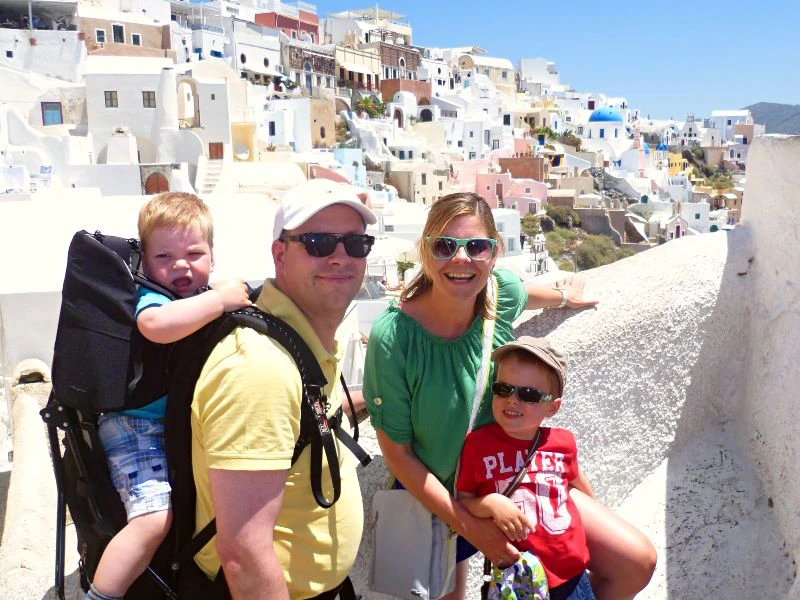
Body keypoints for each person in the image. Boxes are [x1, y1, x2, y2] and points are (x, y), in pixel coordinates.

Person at [363, 192, 656, 600]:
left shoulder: (497, 294)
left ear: (494, 252)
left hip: (516, 477)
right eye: (445, 246)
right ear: (425, 250)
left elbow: (525, 293)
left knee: (635, 560)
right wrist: (471, 526)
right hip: (443, 500)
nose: (461, 259)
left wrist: (565, 296)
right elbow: (398, 455)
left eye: (476, 247)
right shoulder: (394, 337)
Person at [190, 178, 376, 599]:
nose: (340, 257)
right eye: (318, 243)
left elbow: (303, 427)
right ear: (280, 254)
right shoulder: (260, 368)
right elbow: (244, 552)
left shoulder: (302, 342)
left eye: (356, 244)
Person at [87, 192, 251, 600]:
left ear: (212, 257)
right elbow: (156, 326)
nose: (180, 265)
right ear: (144, 261)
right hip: (135, 424)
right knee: (153, 518)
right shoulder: (153, 297)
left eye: (194, 254)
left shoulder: (196, 297)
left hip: (170, 426)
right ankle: (100, 595)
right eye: (164, 257)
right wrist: (219, 300)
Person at [457, 336, 595, 600]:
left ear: (552, 407)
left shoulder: (563, 442)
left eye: (528, 394)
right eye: (503, 389)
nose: (512, 400)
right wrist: (491, 503)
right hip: (520, 581)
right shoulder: (476, 445)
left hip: (573, 576)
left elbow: (580, 487)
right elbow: (464, 501)